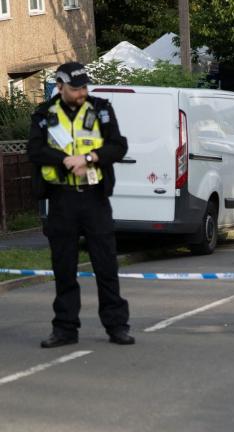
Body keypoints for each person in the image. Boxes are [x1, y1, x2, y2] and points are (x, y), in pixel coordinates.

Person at [27, 61, 134, 348]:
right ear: (59, 86)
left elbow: (118, 146)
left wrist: (88, 159)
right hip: (61, 198)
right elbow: (34, 149)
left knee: (106, 265)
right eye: (75, 88)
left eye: (84, 86)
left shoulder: (100, 108)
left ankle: (117, 326)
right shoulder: (43, 114)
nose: (81, 92)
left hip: (94, 197)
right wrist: (63, 160)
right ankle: (64, 329)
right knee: (64, 267)